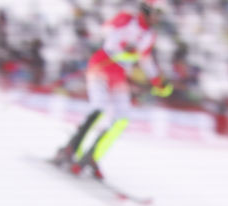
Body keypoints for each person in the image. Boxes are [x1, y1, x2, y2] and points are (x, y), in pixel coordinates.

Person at [51, 0, 172, 179]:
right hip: (102, 65)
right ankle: (70, 149)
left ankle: (93, 156)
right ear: (146, 10)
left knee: (122, 118)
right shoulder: (127, 18)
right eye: (157, 13)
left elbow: (145, 59)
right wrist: (122, 45)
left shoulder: (150, 35)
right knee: (99, 109)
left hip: (119, 74)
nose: (158, 18)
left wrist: (157, 80)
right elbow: (106, 30)